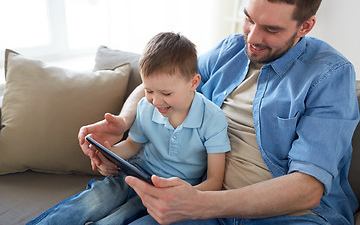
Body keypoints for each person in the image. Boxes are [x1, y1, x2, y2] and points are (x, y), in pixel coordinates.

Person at [79, 0, 360, 224]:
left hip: (292, 215)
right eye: (249, 19)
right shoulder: (231, 49)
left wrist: (199, 203)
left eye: (271, 29)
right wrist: (123, 122)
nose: (252, 38)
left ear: (305, 26)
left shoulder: (330, 74)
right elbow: (158, 84)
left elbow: (307, 188)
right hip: (206, 203)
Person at [27, 32, 231, 225]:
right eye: (149, 90)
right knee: (90, 202)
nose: (156, 101)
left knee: (113, 221)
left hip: (168, 193)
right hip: (134, 173)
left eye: (166, 93)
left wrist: (186, 196)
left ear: (193, 82)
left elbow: (214, 181)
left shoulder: (212, 119)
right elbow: (133, 144)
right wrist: (107, 153)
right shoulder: (145, 106)